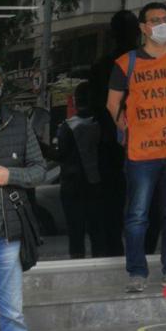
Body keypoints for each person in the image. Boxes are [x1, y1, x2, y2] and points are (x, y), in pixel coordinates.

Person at [106, 2, 166, 292]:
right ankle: (137, 272)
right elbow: (112, 104)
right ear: (143, 28)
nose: (161, 24)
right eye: (155, 20)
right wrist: (129, 128)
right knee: (137, 215)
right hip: (141, 153)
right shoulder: (126, 63)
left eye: (165, 19)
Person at [0, 63, 47, 331]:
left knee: (12, 311)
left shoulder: (18, 122)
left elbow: (40, 169)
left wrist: (10, 175)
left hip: (7, 234)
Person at [89, 9, 139, 257]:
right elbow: (100, 106)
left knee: (142, 202)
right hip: (115, 143)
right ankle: (115, 251)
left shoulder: (149, 62)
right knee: (114, 202)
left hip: (145, 144)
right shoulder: (105, 66)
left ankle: (134, 251)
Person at [57, 82, 105, 258]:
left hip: (72, 185)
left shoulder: (68, 127)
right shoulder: (104, 124)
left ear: (76, 101)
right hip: (96, 184)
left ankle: (77, 260)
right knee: (97, 231)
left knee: (75, 232)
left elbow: (61, 154)